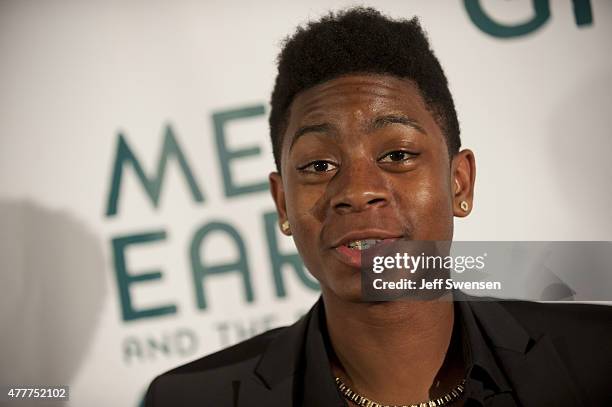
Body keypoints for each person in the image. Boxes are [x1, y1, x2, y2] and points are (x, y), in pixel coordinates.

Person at [144, 7, 611, 406]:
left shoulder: (598, 354)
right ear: (282, 203)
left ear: (459, 182)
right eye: (319, 164)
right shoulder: (190, 398)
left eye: (397, 155)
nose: (357, 190)